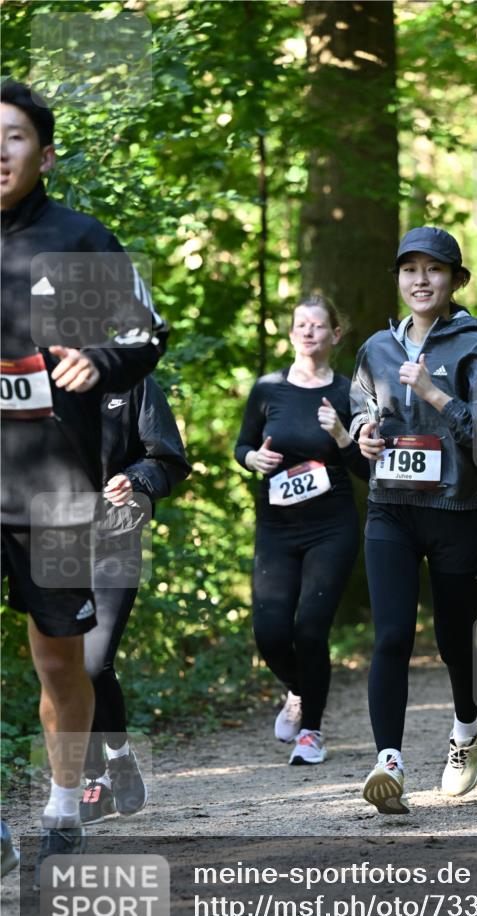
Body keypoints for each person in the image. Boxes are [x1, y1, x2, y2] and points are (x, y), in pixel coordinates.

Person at [0, 80, 167, 875]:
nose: (0, 150)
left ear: (46, 152)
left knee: (62, 660)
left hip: (56, 493)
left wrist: (97, 360)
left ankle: (64, 810)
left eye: (15, 136)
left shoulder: (76, 241)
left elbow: (144, 335)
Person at [350, 226, 477, 814]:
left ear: (454, 281)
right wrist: (364, 435)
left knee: (455, 641)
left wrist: (437, 395)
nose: (420, 281)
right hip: (391, 509)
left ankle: (466, 727)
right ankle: (389, 762)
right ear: (398, 278)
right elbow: (361, 406)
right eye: (410, 270)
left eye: (433, 270)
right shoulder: (376, 347)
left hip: (459, 511)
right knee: (393, 635)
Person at [235, 295, 368, 765]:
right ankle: (298, 688)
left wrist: (340, 435)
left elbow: (365, 471)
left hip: (331, 526)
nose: (308, 332)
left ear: (335, 334)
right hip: (277, 526)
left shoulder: (351, 393)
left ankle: (311, 731)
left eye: (318, 325)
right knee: (270, 632)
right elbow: (243, 446)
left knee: (310, 629)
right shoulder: (268, 389)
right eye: (301, 325)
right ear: (291, 333)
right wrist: (253, 459)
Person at [79, 376, 191, 824]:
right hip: (49, 541)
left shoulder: (133, 383)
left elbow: (166, 458)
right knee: (64, 666)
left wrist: (134, 478)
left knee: (93, 661)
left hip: (113, 538)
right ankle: (95, 779)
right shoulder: (33, 379)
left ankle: (119, 756)